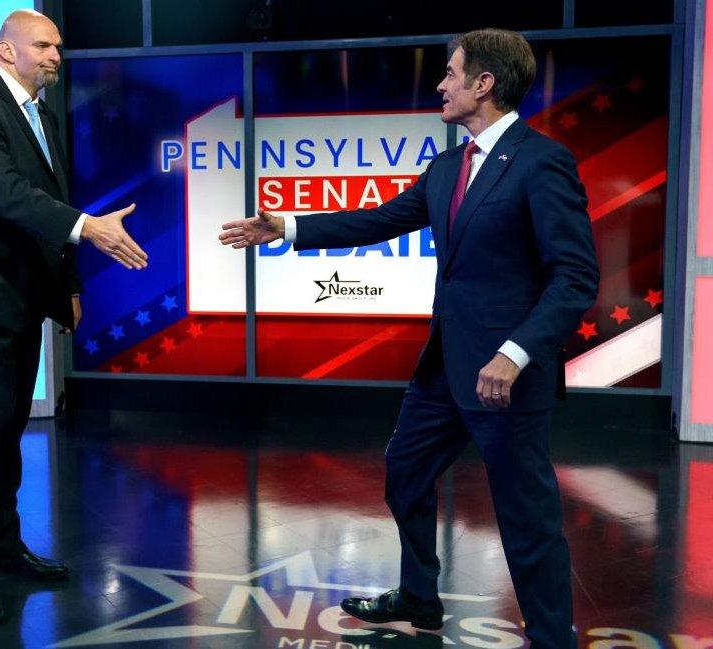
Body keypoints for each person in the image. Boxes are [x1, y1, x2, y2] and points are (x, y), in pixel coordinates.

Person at [220, 28, 598, 649]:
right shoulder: (450, 165)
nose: (440, 84)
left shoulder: (541, 162)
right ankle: (420, 596)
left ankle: (553, 639)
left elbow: (575, 276)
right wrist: (286, 225)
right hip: (444, 370)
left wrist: (515, 351)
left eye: (451, 74)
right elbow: (380, 219)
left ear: (485, 84)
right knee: (405, 472)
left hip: (506, 375)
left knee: (527, 519)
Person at [0, 9, 148, 623]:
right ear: (5, 51)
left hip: (18, 294)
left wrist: (66, 282)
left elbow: (50, 202)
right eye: (43, 46)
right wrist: (85, 230)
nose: (55, 56)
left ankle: (6, 547)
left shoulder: (41, 114)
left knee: (9, 426)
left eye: (59, 47)